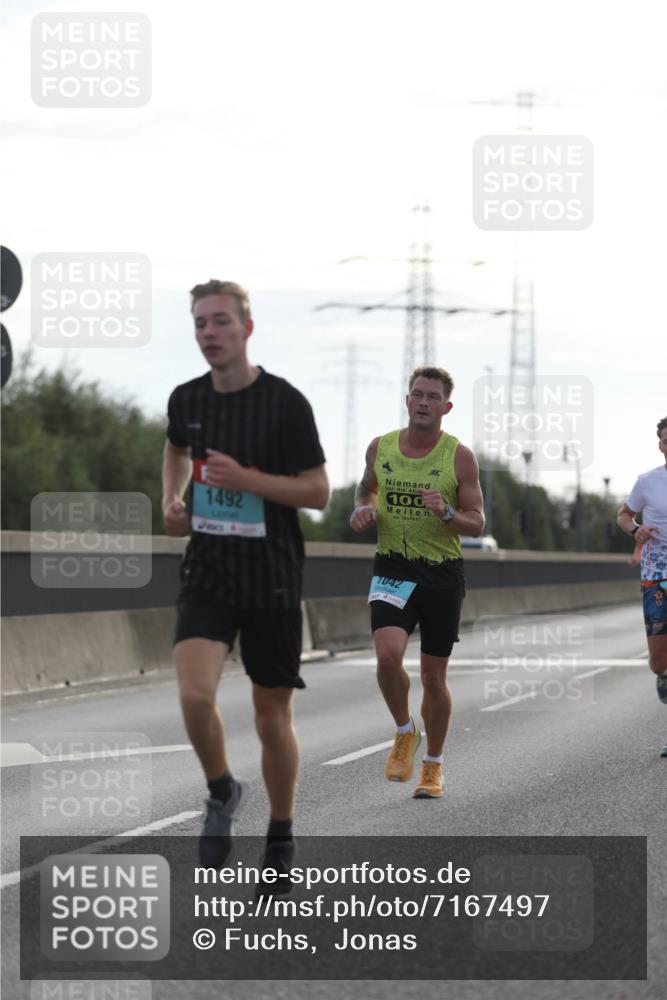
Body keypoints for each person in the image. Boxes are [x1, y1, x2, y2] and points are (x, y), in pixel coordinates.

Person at [162, 279, 329, 876]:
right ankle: (220, 789)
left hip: (272, 577)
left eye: (221, 322)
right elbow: (176, 448)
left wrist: (249, 480)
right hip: (208, 570)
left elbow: (318, 490)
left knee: (269, 716)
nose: (210, 333)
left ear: (247, 328)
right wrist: (173, 498)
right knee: (193, 693)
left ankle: (280, 835)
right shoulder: (187, 399)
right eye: (201, 324)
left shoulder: (285, 404)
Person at [350, 366, 485, 797]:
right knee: (388, 657)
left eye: (432, 397)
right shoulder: (380, 447)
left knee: (433, 677)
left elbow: (477, 523)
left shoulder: (458, 456)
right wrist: (362, 508)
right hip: (393, 565)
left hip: (442, 573)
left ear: (446, 407)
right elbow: (365, 489)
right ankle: (405, 730)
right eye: (417, 394)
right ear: (407, 401)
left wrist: (446, 512)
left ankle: (433, 764)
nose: (423, 402)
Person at [616, 416, 667, 756]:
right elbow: (623, 515)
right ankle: (663, 675)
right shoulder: (647, 481)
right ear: (661, 444)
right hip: (656, 576)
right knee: (659, 661)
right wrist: (636, 530)